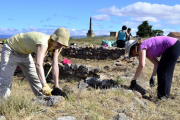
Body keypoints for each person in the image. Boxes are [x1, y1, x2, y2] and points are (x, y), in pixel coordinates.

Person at [0, 27, 70, 99]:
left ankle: (46, 101)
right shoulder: (43, 42)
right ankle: (3, 104)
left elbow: (55, 66)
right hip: (11, 49)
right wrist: (45, 84)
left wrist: (56, 86)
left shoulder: (55, 47)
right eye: (59, 43)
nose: (60, 46)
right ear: (54, 38)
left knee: (36, 79)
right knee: (6, 80)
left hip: (25, 54)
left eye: (62, 44)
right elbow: (38, 64)